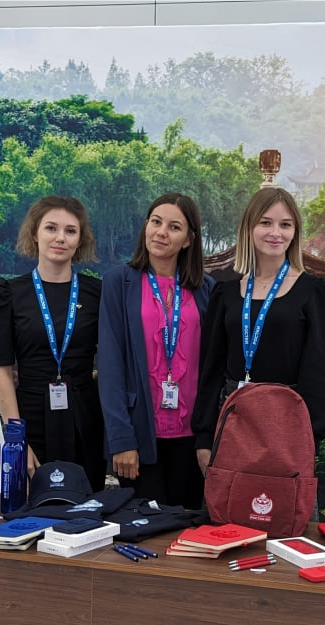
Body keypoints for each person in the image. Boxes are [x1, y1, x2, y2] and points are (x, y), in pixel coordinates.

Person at [193, 186, 325, 474]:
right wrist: (204, 437)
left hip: (288, 428)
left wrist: (309, 436)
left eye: (285, 225)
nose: (276, 233)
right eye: (266, 222)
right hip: (232, 421)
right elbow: (211, 369)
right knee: (229, 501)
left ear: (295, 232)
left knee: (279, 501)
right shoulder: (226, 293)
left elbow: (321, 372)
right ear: (249, 228)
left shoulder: (313, 292)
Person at [98, 193, 214, 509]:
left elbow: (213, 369)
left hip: (192, 438)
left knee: (188, 524)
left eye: (174, 227)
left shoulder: (206, 289)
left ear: (188, 240)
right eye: (156, 222)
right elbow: (110, 365)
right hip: (138, 437)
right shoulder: (119, 282)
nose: (162, 232)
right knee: (145, 526)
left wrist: (208, 438)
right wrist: (121, 439)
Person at [0, 196, 106, 491]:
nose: (60, 238)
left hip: (85, 422)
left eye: (70, 231)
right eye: (51, 228)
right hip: (30, 422)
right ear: (34, 234)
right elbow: (2, 372)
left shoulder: (98, 293)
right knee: (32, 507)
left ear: (80, 240)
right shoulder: (8, 293)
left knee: (85, 508)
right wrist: (16, 441)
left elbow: (113, 362)